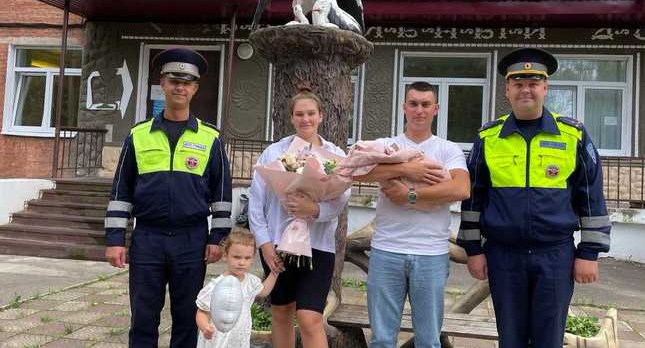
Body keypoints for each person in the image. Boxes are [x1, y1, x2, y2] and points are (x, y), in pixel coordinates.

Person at [457, 48, 611, 348]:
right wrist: (473, 249)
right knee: (510, 338)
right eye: (518, 83)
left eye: (533, 82)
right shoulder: (488, 138)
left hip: (555, 256)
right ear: (507, 89)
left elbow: (591, 196)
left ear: (545, 87)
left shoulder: (573, 135)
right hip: (504, 256)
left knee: (549, 339)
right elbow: (473, 198)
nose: (525, 89)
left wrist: (590, 253)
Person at [104, 48, 233, 348]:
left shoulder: (210, 138)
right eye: (174, 80)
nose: (180, 87)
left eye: (187, 82)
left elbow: (222, 196)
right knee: (143, 317)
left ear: (195, 88)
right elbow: (120, 193)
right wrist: (114, 239)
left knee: (188, 317)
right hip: (147, 238)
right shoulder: (138, 136)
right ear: (162, 83)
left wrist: (218, 238)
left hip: (192, 240)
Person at [354, 81, 471, 348]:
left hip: (431, 253)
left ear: (436, 109)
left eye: (425, 104)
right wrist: (408, 170)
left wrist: (410, 196)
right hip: (386, 251)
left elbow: (461, 188)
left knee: (429, 341)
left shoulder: (447, 149)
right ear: (404, 107)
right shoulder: (387, 146)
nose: (419, 110)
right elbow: (358, 171)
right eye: (414, 104)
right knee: (382, 339)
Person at [248, 90, 351, 348]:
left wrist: (313, 209)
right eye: (299, 114)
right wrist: (265, 244)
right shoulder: (274, 152)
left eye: (311, 113)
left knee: (309, 318)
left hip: (317, 246)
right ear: (292, 118)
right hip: (277, 246)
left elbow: (340, 199)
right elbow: (256, 202)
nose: (306, 119)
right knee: (281, 312)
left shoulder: (334, 155)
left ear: (321, 116)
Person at [195, 229, 279, 348]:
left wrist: (275, 273)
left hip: (238, 338)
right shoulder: (216, 285)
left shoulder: (251, 281)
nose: (242, 262)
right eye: (236, 257)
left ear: (253, 258)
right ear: (225, 255)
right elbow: (201, 312)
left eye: (247, 258)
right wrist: (205, 327)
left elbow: (264, 291)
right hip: (217, 339)